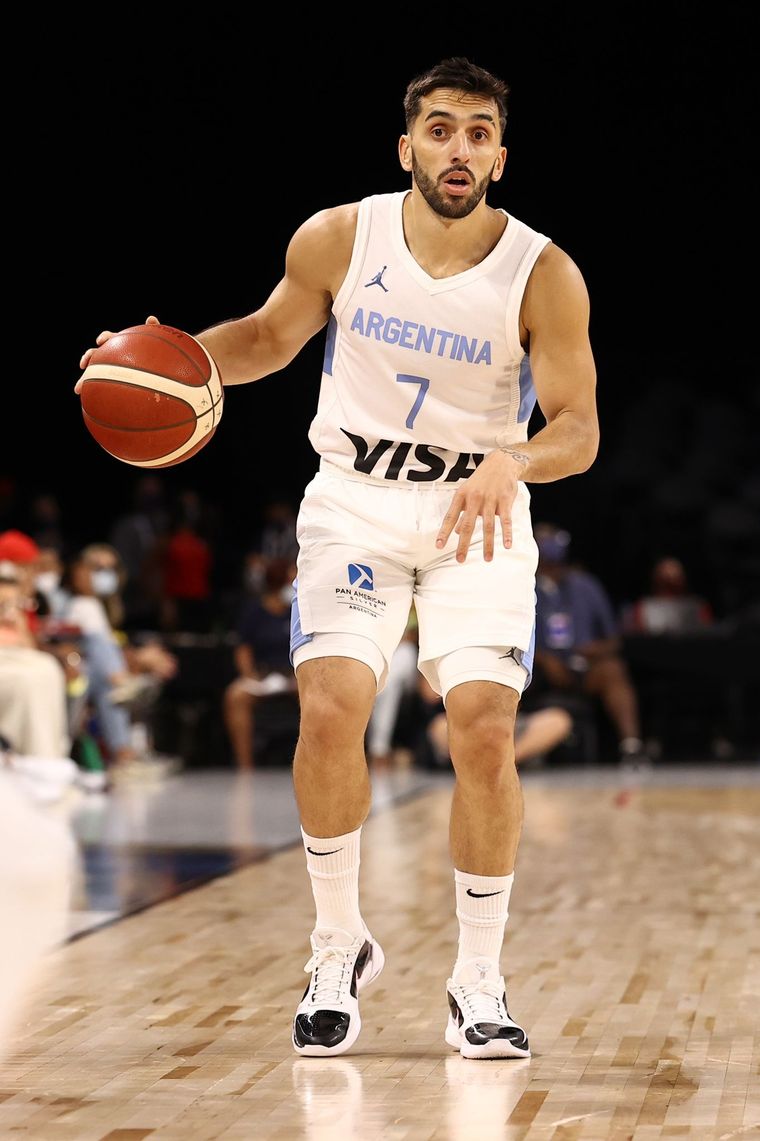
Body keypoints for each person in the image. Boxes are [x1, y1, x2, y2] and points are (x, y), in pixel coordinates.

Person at [78, 57, 599, 1061]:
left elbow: (577, 427)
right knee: (330, 707)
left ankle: (477, 977)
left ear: (500, 153)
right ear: (407, 146)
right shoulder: (338, 236)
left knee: (484, 729)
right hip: (355, 503)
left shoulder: (542, 271)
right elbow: (270, 338)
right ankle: (335, 945)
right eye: (440, 129)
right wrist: (156, 355)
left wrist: (515, 459)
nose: (459, 148)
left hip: (474, 514)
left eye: (478, 131)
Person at [532, 523, 652, 768]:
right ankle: (519, 747)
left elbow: (614, 641)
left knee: (613, 670)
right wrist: (543, 659)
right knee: (510, 672)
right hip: (539, 668)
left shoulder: (585, 585)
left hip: (583, 665)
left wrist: (593, 650)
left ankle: (631, 748)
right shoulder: (524, 583)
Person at [223, 555, 299, 770]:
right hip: (263, 676)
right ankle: (245, 765)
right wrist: (249, 675)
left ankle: (311, 762)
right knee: (235, 696)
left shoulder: (298, 609)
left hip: (294, 676)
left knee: (314, 697)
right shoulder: (254, 611)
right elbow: (243, 649)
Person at [415, 672, 573, 770]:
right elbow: (429, 694)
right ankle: (484, 763)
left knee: (558, 720)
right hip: (468, 721)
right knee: (440, 727)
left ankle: (503, 762)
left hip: (514, 722)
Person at [622, 556, 714, 634]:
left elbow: (707, 633)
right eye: (665, 577)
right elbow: (639, 636)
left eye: (675, 576)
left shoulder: (697, 605)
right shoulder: (644, 606)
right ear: (656, 579)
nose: (670, 580)